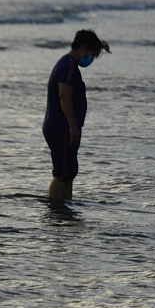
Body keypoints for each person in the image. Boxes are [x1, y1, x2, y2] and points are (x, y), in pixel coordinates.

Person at [42, 30, 110, 202]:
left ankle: (64, 209)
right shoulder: (69, 67)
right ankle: (56, 210)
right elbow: (64, 95)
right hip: (62, 126)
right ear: (84, 48)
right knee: (63, 172)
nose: (90, 60)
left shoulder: (66, 65)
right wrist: (72, 126)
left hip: (59, 125)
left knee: (68, 170)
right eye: (92, 56)